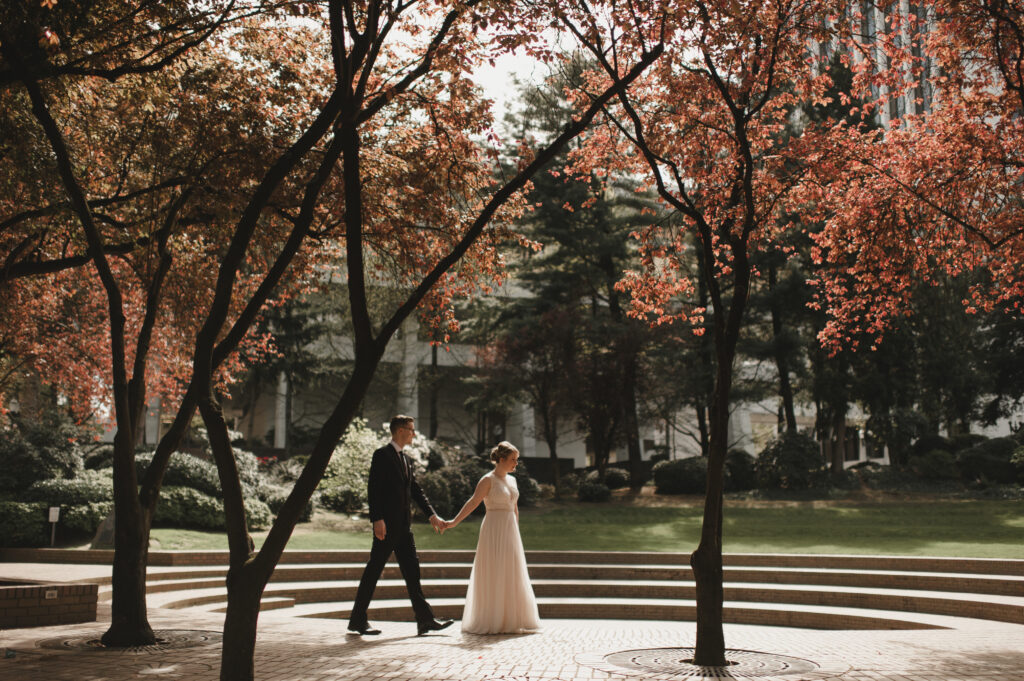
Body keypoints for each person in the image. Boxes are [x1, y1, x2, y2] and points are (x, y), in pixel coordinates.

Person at [347, 415, 454, 636]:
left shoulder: (406, 460)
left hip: (404, 528)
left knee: (412, 574)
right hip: (386, 527)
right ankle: (357, 620)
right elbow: (373, 489)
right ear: (400, 431)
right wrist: (377, 519)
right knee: (373, 571)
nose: (414, 433)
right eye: (411, 429)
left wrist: (432, 516)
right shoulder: (382, 455)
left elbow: (416, 491)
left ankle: (425, 620)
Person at [443, 441, 540, 634]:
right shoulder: (487, 480)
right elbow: (473, 502)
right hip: (493, 529)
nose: (516, 464)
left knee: (511, 570)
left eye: (517, 460)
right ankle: (492, 619)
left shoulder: (512, 481)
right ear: (501, 459)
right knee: (494, 570)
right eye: (513, 460)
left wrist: (516, 531)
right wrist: (454, 522)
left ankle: (511, 619)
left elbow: (515, 507)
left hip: (510, 530)